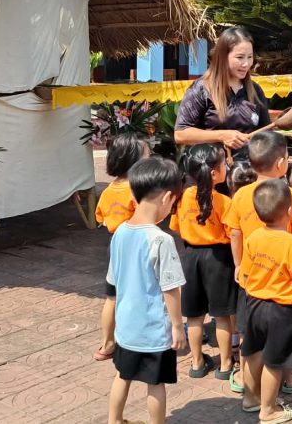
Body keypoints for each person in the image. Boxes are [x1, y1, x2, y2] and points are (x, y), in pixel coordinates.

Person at [223, 131, 292, 394]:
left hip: (252, 275)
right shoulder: (291, 196)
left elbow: (235, 232)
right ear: (281, 163)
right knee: (288, 332)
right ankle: (290, 378)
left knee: (249, 330)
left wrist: (238, 264)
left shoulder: (241, 195)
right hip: (285, 281)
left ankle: (244, 378)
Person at [106, 157, 187, 424]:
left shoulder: (119, 232)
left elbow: (114, 280)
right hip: (154, 330)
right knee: (156, 383)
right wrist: (177, 326)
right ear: (167, 198)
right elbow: (171, 288)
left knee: (123, 375)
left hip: (126, 327)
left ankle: (114, 420)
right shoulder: (161, 240)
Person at [238, 179, 292, 423]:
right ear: (291, 211)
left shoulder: (253, 237)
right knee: (274, 361)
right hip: (282, 310)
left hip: (254, 304)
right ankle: (268, 410)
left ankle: (250, 399)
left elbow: (246, 275)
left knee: (253, 353)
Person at [170, 144, 237, 380]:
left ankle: (197, 363)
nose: (227, 166)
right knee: (222, 315)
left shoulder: (181, 198)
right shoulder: (223, 201)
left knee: (194, 316)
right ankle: (226, 364)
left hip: (190, 258)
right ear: (214, 173)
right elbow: (232, 233)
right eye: (224, 163)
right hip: (218, 259)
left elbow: (176, 227)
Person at [175, 27, 271, 162]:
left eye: (250, 57)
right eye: (240, 57)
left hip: (246, 171)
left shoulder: (255, 91)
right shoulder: (201, 89)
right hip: (211, 168)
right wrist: (221, 136)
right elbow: (180, 134)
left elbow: (266, 134)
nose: (246, 64)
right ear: (223, 57)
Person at [95, 134, 151, 362]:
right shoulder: (138, 190)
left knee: (112, 296)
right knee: (141, 294)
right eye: (147, 156)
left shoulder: (108, 190)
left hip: (115, 245)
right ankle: (140, 342)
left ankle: (107, 343)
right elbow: (147, 218)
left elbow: (101, 217)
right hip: (137, 246)